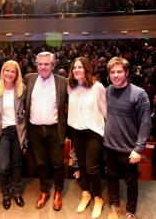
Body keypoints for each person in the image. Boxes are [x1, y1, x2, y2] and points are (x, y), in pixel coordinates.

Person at [104, 57, 151, 219]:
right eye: (112, 72)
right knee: (111, 178)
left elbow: (146, 124)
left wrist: (138, 149)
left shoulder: (139, 94)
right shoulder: (107, 91)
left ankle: (131, 212)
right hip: (109, 146)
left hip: (129, 149)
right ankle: (114, 205)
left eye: (119, 71)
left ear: (127, 73)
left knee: (131, 182)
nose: (116, 75)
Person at [23, 52, 68, 211]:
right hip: (34, 130)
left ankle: (57, 191)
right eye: (40, 64)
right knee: (40, 163)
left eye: (46, 64)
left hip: (55, 129)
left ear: (53, 65)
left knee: (57, 163)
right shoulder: (28, 79)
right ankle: (44, 191)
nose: (43, 67)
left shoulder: (63, 82)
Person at [67, 57, 106, 218]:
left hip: (93, 132)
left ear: (87, 69)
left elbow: (105, 111)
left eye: (80, 67)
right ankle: (85, 193)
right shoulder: (71, 87)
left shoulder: (98, 87)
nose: (77, 70)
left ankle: (98, 198)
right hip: (76, 131)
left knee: (91, 167)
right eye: (74, 67)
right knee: (81, 164)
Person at [0, 60, 27, 210]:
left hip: (18, 132)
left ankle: (16, 192)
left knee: (17, 164)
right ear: (2, 72)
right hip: (2, 132)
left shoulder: (22, 89)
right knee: (4, 167)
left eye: (13, 71)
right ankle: (6, 194)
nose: (9, 74)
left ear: (17, 74)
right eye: (7, 70)